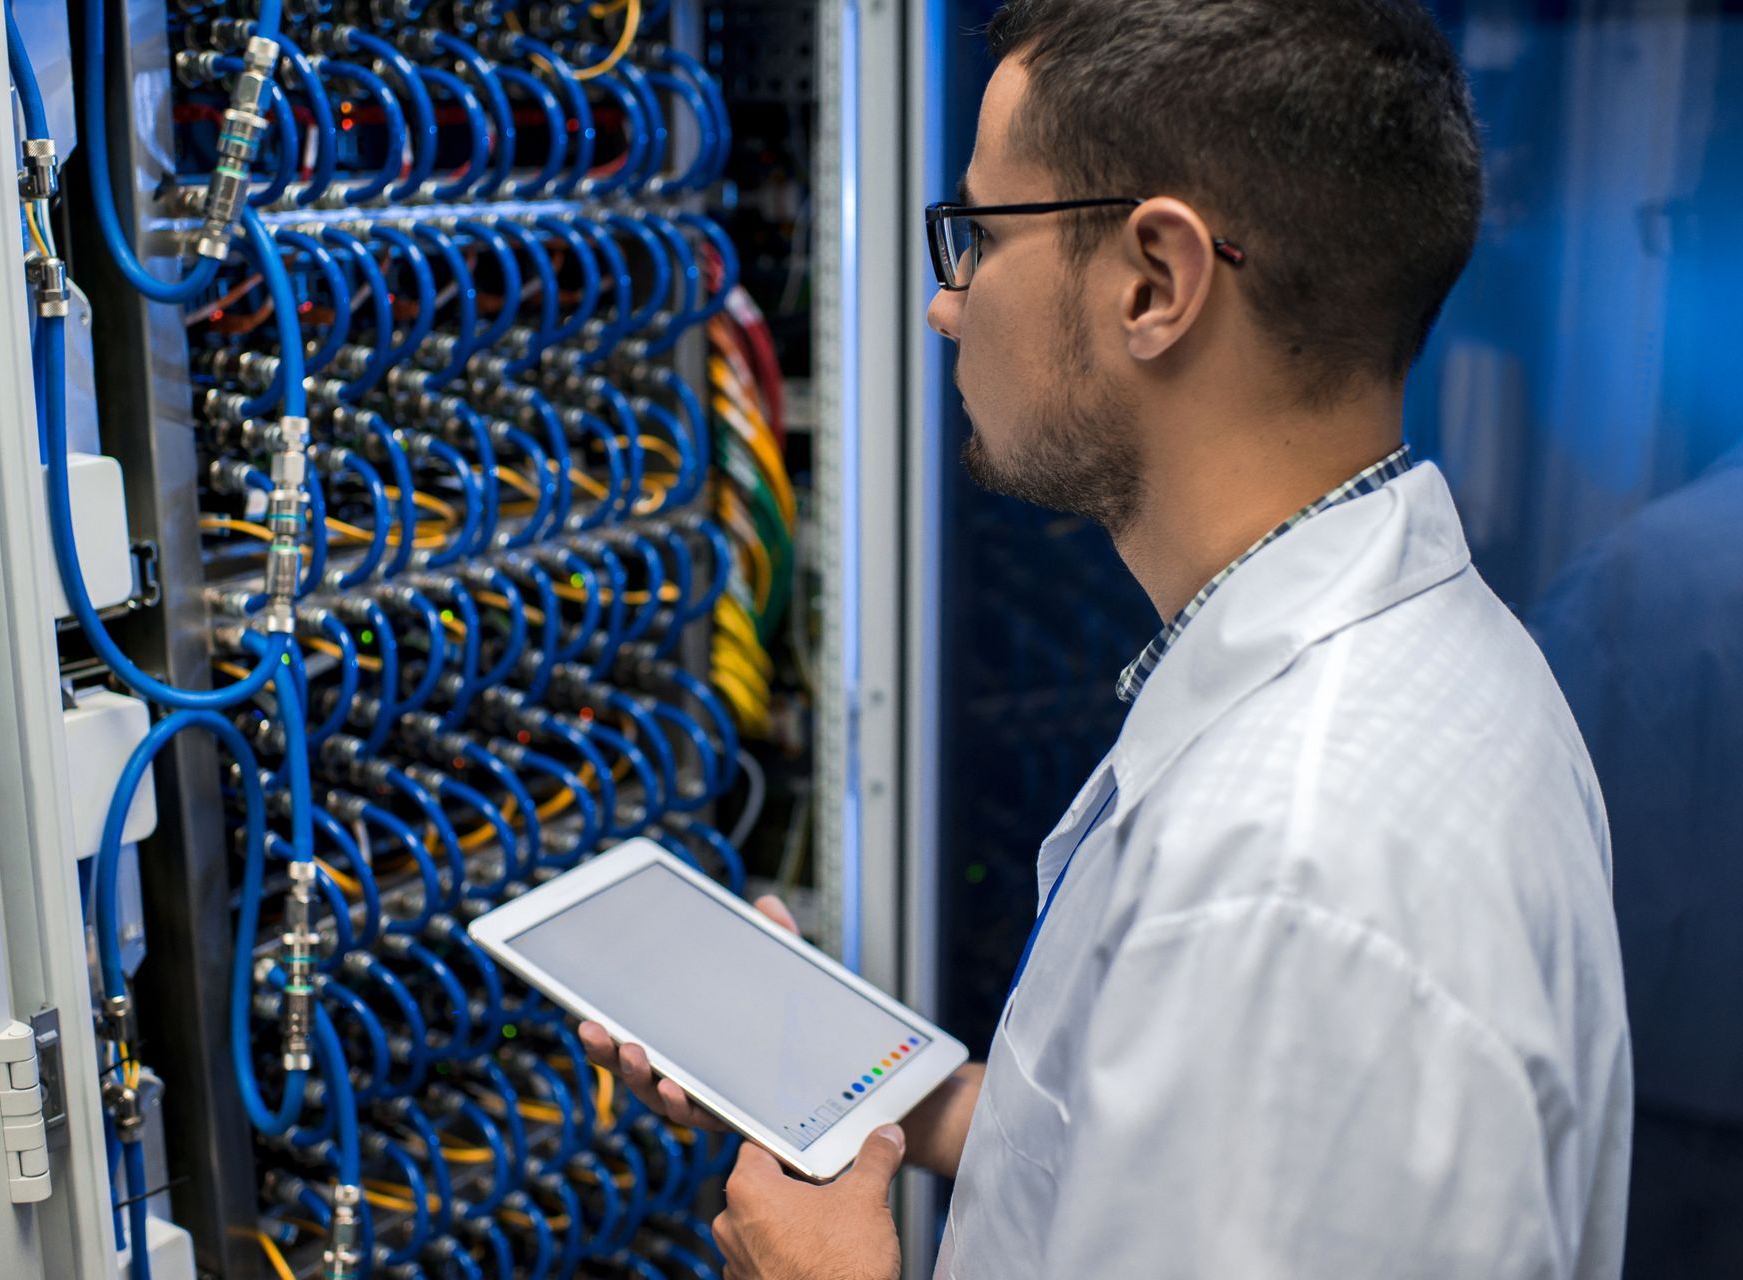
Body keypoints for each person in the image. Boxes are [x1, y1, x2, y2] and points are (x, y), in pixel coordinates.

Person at [583, 0, 1633, 1274]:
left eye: (978, 236)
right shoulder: (1445, 663)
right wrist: (868, 1089)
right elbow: (1177, 1151)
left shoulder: (1287, 881)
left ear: (1156, 282)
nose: (945, 306)